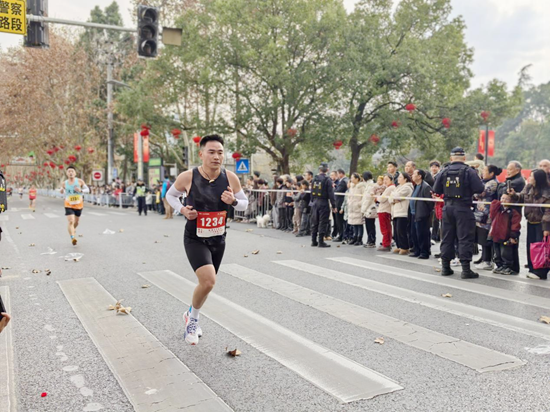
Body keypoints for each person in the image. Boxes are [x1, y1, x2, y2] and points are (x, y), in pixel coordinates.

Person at [165, 134, 248, 345]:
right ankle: (192, 320)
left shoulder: (230, 178)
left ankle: (190, 313)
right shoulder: (188, 176)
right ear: (201, 154)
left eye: (220, 152)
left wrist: (233, 202)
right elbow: (170, 196)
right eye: (211, 152)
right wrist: (182, 209)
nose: (216, 156)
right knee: (209, 280)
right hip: (195, 237)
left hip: (218, 238)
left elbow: (244, 203)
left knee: (207, 285)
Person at [433, 147, 485, 278]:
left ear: (451, 158)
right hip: (463, 208)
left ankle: (445, 267)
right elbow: (480, 188)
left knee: (447, 237)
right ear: (464, 158)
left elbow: (436, 189)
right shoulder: (469, 171)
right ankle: (466, 270)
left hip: (448, 208)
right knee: (464, 238)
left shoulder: (444, 171)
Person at [509, 169, 550, 280]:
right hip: (531, 221)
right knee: (530, 246)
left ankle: (540, 271)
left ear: (537, 179)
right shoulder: (528, 187)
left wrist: (546, 227)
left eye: (531, 176)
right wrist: (514, 195)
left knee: (541, 248)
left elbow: (548, 211)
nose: (529, 178)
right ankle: (532, 268)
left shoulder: (547, 191)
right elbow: (521, 197)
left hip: (542, 223)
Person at [474, 165, 502, 271]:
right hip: (481, 214)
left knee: (486, 238)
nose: (483, 172)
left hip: (486, 215)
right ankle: (484, 259)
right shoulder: (485, 182)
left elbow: (479, 194)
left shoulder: (492, 183)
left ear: (491, 173)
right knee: (482, 237)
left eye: (485, 171)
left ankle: (487, 262)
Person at [488, 194, 521, 275]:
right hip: (496, 234)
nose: (503, 200)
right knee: (497, 252)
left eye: (506, 199)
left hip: (506, 236)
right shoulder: (498, 209)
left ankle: (508, 266)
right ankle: (499, 265)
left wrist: (513, 236)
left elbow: (515, 225)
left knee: (505, 253)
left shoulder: (513, 212)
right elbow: (491, 214)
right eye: (502, 198)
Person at [59, 166, 90, 246]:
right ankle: (73, 237)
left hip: (78, 204)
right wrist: (61, 191)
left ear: (75, 173)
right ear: (66, 173)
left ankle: (73, 229)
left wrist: (81, 190)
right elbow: (61, 191)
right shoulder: (64, 183)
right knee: (71, 221)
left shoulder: (79, 181)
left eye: (72, 171)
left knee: (76, 222)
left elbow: (87, 190)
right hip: (68, 204)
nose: (70, 173)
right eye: (69, 171)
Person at [310, 163, 337, 248]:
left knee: (315, 221)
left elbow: (311, 191)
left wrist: (312, 201)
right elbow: (331, 194)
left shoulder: (314, 179)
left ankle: (314, 240)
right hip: (323, 202)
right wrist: (334, 205)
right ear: (327, 170)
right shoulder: (327, 180)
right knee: (323, 221)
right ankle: (321, 241)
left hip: (315, 202)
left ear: (319, 169)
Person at [409, 170, 434, 259]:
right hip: (414, 213)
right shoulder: (416, 186)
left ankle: (424, 252)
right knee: (414, 233)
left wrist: (425, 212)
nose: (412, 175)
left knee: (422, 234)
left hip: (422, 214)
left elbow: (430, 203)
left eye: (414, 174)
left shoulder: (425, 187)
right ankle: (417, 250)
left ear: (419, 176)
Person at [390, 173, 414, 255]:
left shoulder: (407, 187)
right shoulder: (398, 187)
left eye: (400, 177)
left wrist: (394, 197)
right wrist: (393, 199)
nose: (398, 179)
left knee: (401, 230)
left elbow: (397, 196)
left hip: (403, 211)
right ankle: (399, 245)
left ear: (405, 179)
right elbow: (390, 198)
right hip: (395, 211)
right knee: (396, 231)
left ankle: (405, 247)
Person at [346, 173, 367, 246]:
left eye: (352, 178)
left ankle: (359, 238)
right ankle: (354, 237)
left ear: (357, 179)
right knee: (354, 223)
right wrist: (349, 202)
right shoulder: (351, 187)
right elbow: (349, 196)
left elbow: (364, 197)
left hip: (358, 207)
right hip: (352, 207)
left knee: (359, 224)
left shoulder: (361, 187)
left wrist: (358, 204)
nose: (351, 179)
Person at [376, 174, 395, 251]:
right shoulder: (389, 188)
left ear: (391, 180)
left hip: (385, 209)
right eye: (384, 179)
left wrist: (377, 197)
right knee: (386, 227)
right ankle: (386, 243)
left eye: (386, 179)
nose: (385, 181)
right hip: (385, 209)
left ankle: (386, 244)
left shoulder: (390, 188)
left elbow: (382, 199)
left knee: (385, 228)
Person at [361, 171, 377, 248]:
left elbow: (368, 199)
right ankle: (369, 240)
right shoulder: (368, 185)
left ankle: (371, 241)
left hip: (369, 208)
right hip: (368, 208)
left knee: (370, 225)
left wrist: (363, 209)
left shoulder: (370, 186)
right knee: (369, 225)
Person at [332, 169, 348, 242]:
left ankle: (341, 235)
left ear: (341, 174)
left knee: (340, 220)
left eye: (337, 174)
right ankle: (342, 234)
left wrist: (333, 188)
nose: (337, 176)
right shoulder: (344, 181)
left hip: (340, 202)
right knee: (340, 220)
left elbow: (338, 191)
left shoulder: (343, 181)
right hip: (340, 202)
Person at [429, 160, 442, 241]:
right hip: (431, 199)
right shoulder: (430, 176)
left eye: (435, 167)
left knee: (436, 219)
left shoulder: (439, 176)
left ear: (438, 168)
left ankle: (435, 235)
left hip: (438, 198)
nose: (434, 168)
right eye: (432, 167)